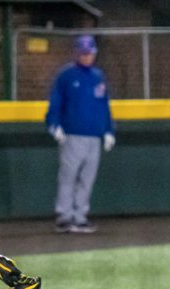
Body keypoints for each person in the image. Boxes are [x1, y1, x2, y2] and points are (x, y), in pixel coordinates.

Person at [45, 35, 115, 234]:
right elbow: (56, 102)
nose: (87, 56)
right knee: (68, 177)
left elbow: (104, 106)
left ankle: (80, 217)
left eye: (90, 53)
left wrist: (109, 130)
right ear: (77, 53)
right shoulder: (66, 75)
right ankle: (64, 217)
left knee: (87, 179)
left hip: (94, 136)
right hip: (72, 134)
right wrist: (54, 125)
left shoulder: (98, 75)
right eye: (84, 53)